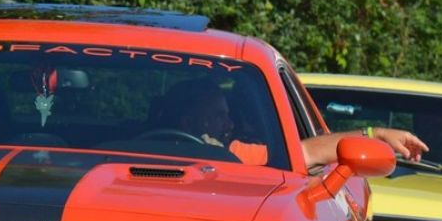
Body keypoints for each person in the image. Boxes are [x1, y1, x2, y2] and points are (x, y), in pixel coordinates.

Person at [155, 79, 427, 166]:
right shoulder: (232, 155)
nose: (229, 123)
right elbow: (308, 151)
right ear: (188, 120)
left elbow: (308, 151)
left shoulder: (235, 154)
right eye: (217, 115)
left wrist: (375, 134)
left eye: (227, 114)